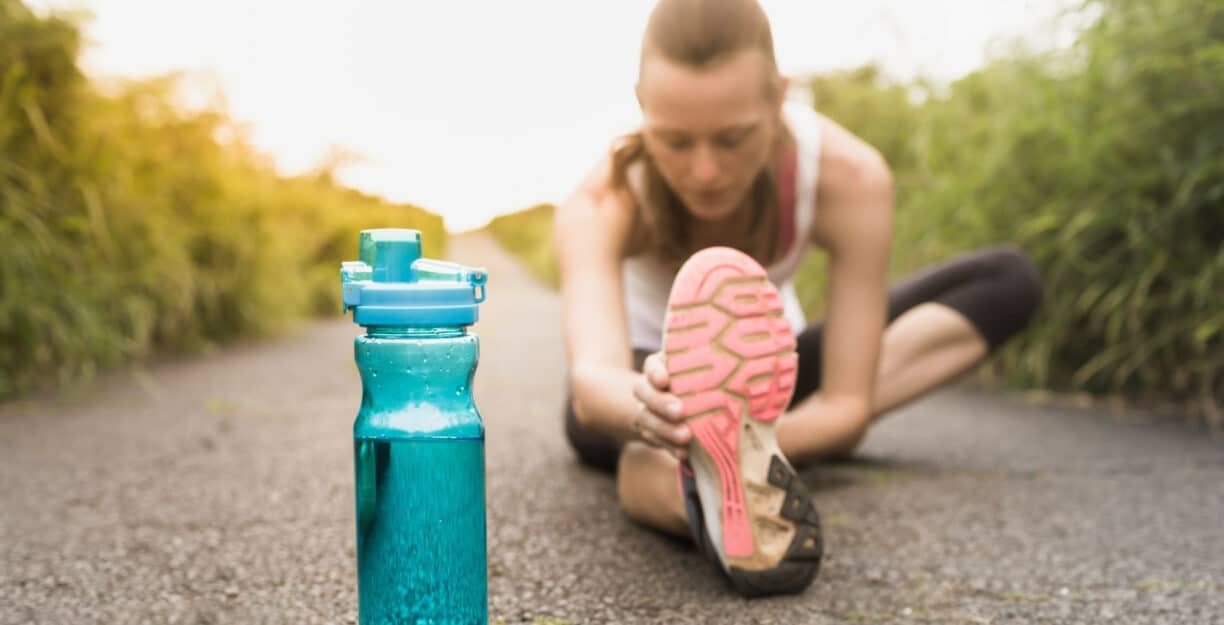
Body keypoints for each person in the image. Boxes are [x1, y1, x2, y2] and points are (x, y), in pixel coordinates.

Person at [553, 0, 1043, 598]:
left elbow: (845, 406)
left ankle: (728, 469)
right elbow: (591, 384)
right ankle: (702, 495)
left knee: (1007, 278)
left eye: (732, 139)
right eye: (675, 142)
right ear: (640, 105)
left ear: (779, 95)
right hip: (640, 392)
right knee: (640, 444)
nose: (705, 170)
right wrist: (662, 416)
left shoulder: (848, 177)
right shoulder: (600, 199)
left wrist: (744, 433)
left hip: (764, 388)